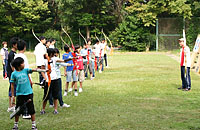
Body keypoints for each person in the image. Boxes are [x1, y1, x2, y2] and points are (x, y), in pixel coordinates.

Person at [10, 57, 45, 130]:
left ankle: (33, 125)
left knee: (31, 109)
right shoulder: (14, 74)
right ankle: (15, 125)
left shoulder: (26, 70)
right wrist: (13, 95)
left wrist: (43, 70)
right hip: (20, 94)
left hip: (29, 93)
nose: (24, 64)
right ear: (19, 65)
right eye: (23, 63)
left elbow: (34, 70)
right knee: (18, 110)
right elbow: (12, 85)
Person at [14, 39, 31, 119]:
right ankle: (26, 113)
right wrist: (30, 80)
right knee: (27, 96)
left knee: (20, 96)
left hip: (19, 79)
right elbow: (26, 70)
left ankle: (20, 111)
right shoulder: (23, 57)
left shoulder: (16, 55)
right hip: (25, 78)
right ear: (24, 47)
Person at [40, 48, 60, 114]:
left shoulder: (54, 59)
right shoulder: (44, 61)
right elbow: (42, 70)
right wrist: (45, 78)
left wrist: (72, 58)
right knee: (46, 96)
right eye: (53, 53)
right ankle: (43, 109)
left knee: (55, 95)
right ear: (50, 53)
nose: (54, 54)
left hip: (55, 79)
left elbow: (63, 61)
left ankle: (55, 109)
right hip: (48, 80)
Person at [7, 37, 18, 112]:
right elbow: (12, 66)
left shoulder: (14, 53)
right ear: (14, 45)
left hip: (13, 74)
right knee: (12, 89)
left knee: (13, 89)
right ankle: (10, 106)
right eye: (17, 44)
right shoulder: (11, 54)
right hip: (12, 74)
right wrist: (16, 74)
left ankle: (13, 105)